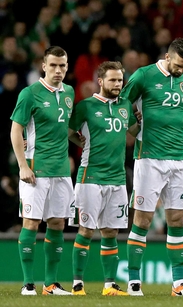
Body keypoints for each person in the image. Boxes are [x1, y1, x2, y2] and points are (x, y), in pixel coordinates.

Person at [120, 38, 183, 296]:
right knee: (142, 219)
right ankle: (134, 281)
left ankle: (178, 283)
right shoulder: (143, 75)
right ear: (167, 57)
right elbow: (123, 105)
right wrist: (135, 129)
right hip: (149, 158)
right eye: (179, 65)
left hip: (179, 159)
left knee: (178, 219)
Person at [68, 61, 139, 296]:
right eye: (113, 80)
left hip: (117, 178)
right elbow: (68, 132)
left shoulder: (125, 106)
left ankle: (110, 285)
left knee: (111, 232)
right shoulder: (86, 106)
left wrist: (141, 117)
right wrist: (82, 143)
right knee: (86, 230)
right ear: (101, 81)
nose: (118, 84)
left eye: (120, 80)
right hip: (90, 177)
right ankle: (78, 283)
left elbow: (135, 132)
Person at [11, 46, 75, 295]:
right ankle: (28, 283)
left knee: (57, 223)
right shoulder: (30, 94)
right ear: (44, 66)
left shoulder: (69, 92)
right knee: (31, 222)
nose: (58, 70)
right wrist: (23, 166)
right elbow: (16, 130)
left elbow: (66, 128)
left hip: (61, 171)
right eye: (54, 65)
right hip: (36, 170)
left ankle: (51, 284)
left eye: (63, 65)